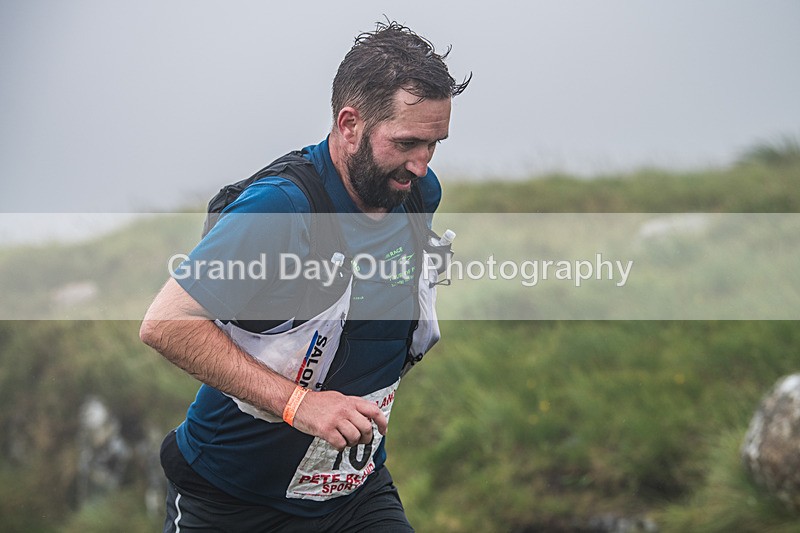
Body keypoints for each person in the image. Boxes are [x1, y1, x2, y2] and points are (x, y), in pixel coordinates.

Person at [140, 20, 469, 532]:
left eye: (434, 144)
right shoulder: (280, 209)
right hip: (230, 501)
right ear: (349, 124)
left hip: (351, 497)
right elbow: (166, 323)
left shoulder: (417, 196)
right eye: (407, 142)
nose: (421, 165)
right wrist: (301, 404)